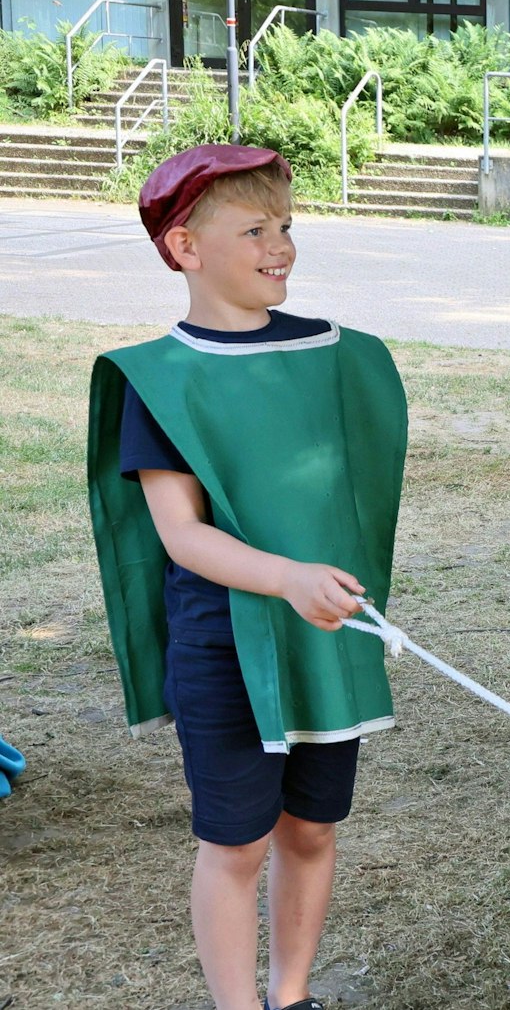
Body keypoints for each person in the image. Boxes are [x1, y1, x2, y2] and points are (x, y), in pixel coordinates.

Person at [86, 144, 409, 1010]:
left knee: (311, 827)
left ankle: (291, 994)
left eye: (288, 227)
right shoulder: (162, 382)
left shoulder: (332, 355)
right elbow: (183, 536)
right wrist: (286, 576)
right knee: (236, 842)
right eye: (255, 229)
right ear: (184, 248)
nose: (282, 246)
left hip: (319, 637)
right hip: (224, 644)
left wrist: (320, 584)